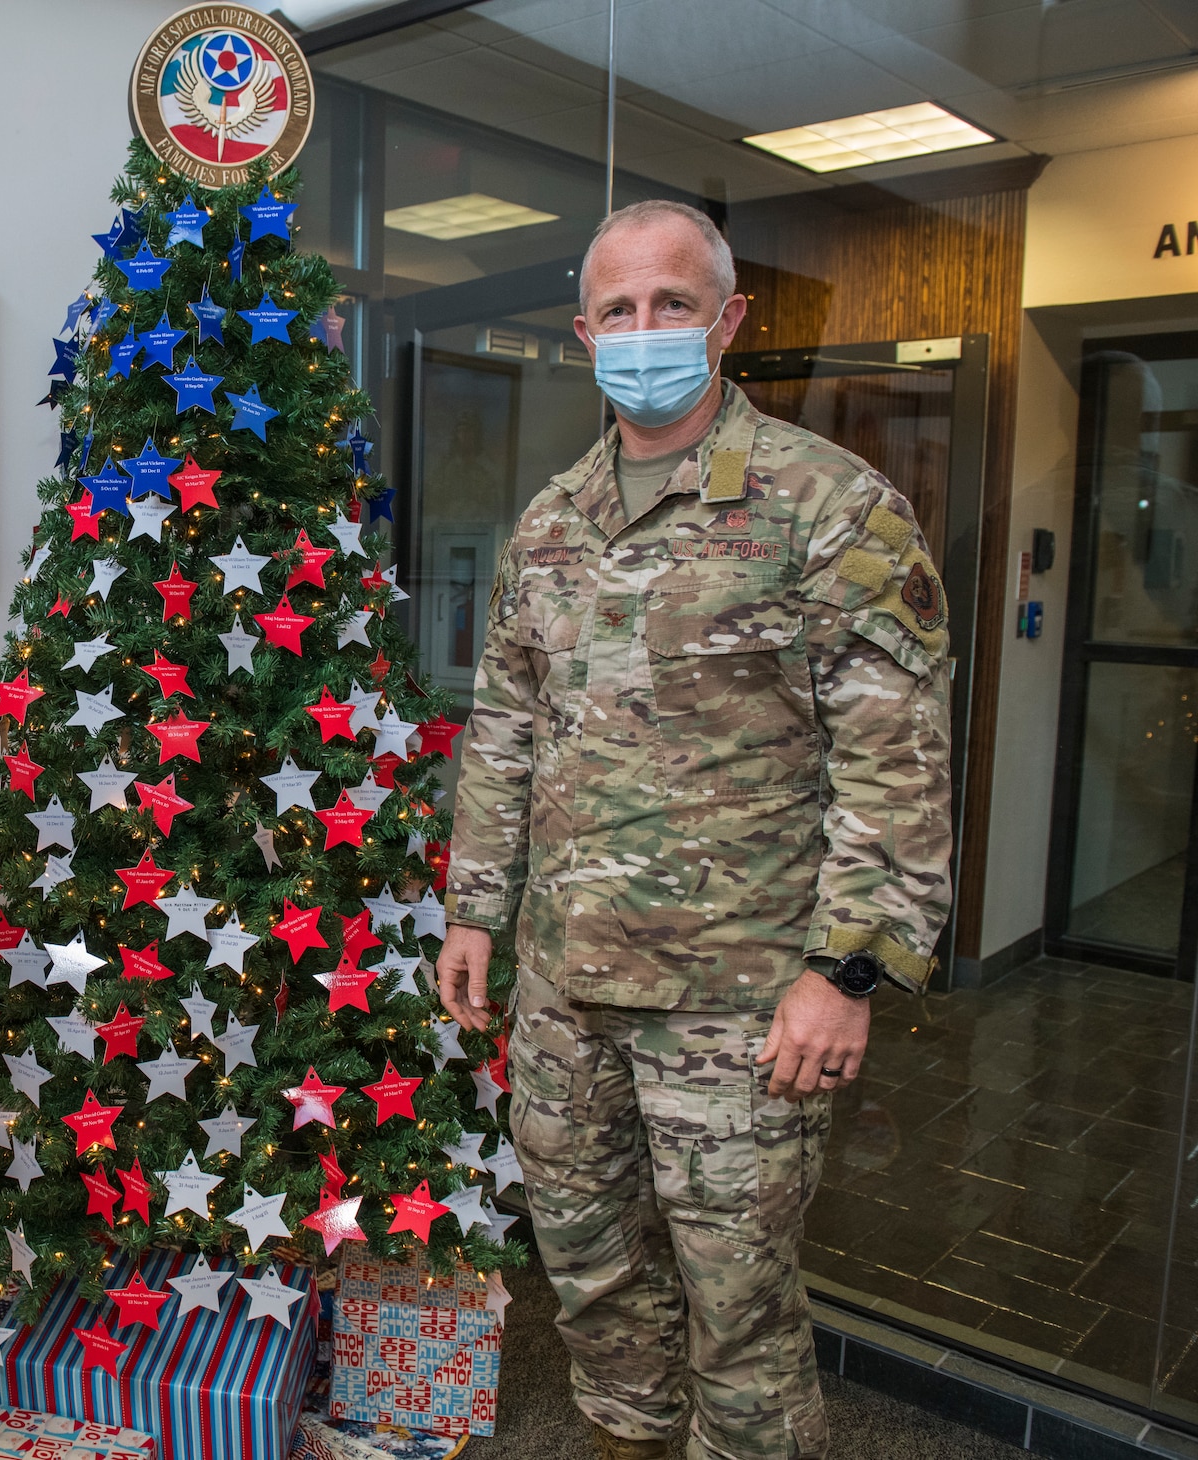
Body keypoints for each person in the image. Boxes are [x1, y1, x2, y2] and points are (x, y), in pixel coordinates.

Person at [436, 200, 953, 1460]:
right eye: (618, 310)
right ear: (582, 333)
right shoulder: (550, 522)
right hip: (565, 989)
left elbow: (896, 757)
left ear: (726, 320)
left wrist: (844, 973)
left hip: (739, 1001)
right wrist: (473, 907)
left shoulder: (828, 507)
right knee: (590, 1270)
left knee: (739, 1307)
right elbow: (506, 722)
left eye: (671, 303)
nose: (644, 329)